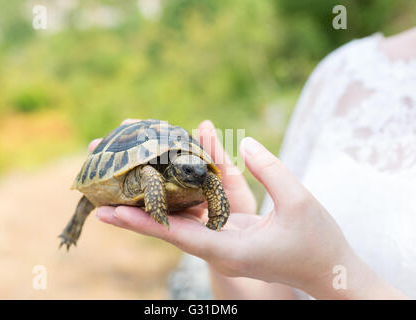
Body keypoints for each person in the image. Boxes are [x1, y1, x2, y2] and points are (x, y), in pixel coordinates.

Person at [93, 27, 416, 299]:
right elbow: (274, 295)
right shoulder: (342, 70)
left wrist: (331, 272)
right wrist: (233, 257)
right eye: (190, 171)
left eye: (202, 173)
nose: (200, 176)